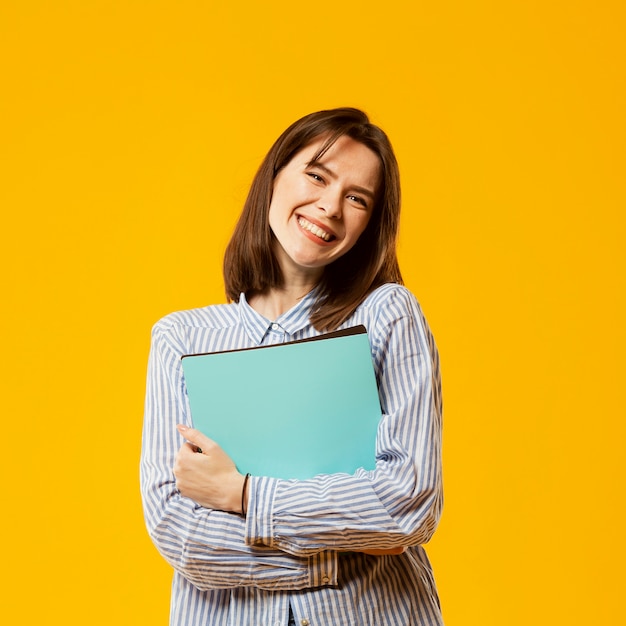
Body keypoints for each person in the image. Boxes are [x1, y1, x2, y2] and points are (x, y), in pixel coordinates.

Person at [140, 107, 444, 625]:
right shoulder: (183, 338)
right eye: (317, 176)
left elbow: (404, 505)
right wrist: (337, 554)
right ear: (274, 175)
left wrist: (242, 494)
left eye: (357, 198)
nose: (330, 207)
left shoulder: (387, 316)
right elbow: (181, 532)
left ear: (370, 223)